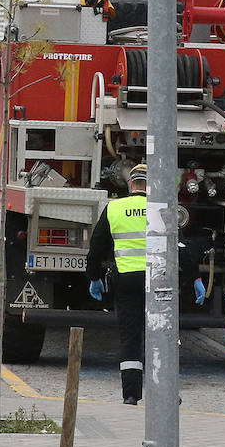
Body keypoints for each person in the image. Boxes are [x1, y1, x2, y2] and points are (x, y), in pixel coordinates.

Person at [87, 164, 205, 405]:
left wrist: (94, 278)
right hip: (158, 281)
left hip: (127, 281)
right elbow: (179, 247)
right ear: (150, 186)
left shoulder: (114, 209)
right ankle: (167, 393)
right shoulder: (162, 209)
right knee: (161, 335)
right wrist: (195, 277)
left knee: (130, 336)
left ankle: (131, 394)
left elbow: (96, 249)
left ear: (131, 184)